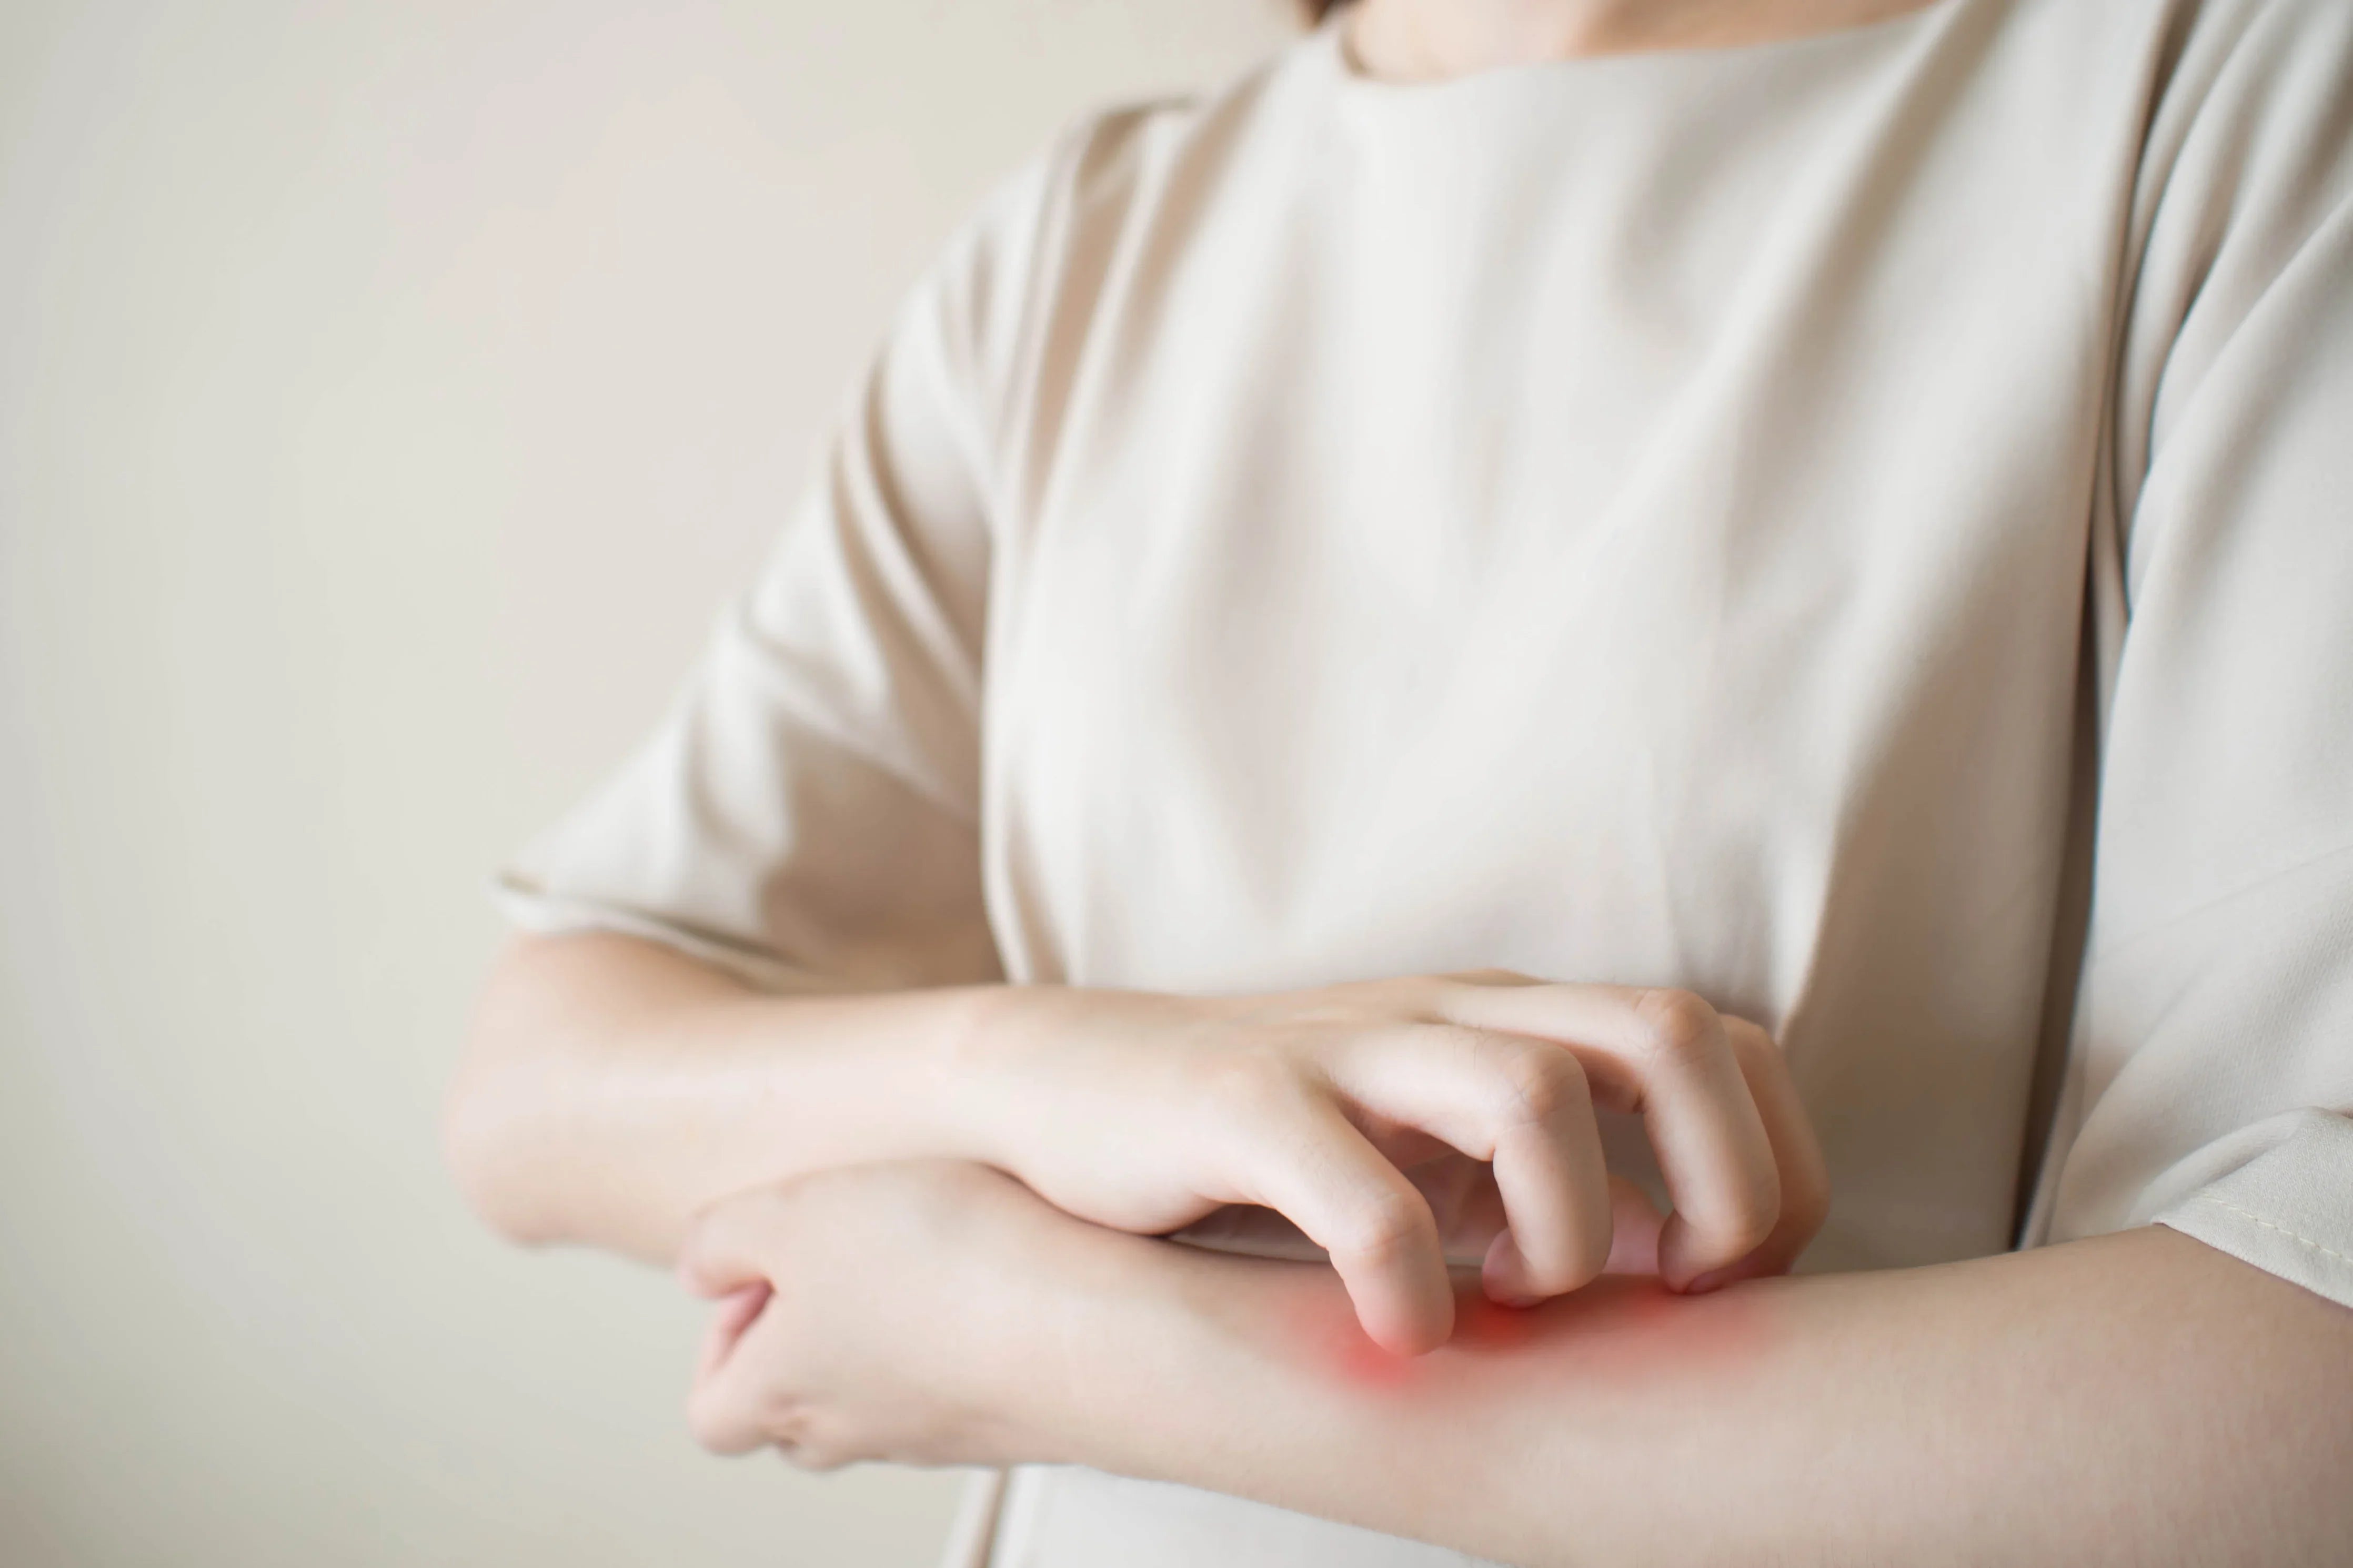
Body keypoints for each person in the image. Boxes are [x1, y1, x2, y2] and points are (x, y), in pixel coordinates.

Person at [444, 0, 2353, 1561]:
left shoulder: (2233, 107)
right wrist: (1053, 1074)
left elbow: (2299, 1377)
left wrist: (1087, 1344)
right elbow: (539, 1086)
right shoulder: (1088, 249)